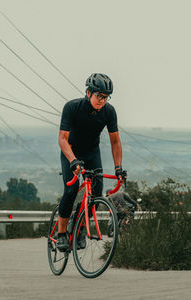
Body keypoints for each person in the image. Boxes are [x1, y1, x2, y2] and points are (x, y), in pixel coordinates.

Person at [57, 73, 125, 251]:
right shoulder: (72, 108)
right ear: (88, 93)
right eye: (99, 96)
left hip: (91, 153)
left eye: (106, 97)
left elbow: (115, 142)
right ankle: (62, 233)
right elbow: (62, 139)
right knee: (71, 190)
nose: (102, 100)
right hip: (71, 152)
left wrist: (118, 167)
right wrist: (72, 161)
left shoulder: (109, 112)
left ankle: (78, 228)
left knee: (95, 194)